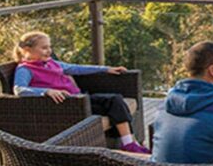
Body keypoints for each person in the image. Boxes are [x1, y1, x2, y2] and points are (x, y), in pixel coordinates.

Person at [13, 30, 149, 154]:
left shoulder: (51, 63)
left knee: (115, 101)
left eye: (49, 47)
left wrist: (105, 69)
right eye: (44, 48)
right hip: (69, 105)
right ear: (27, 50)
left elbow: (76, 68)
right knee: (114, 101)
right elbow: (19, 89)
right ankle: (129, 143)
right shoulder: (25, 69)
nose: (49, 51)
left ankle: (130, 143)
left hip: (81, 99)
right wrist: (46, 91)